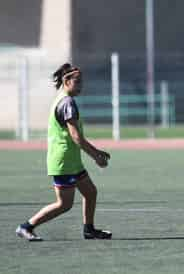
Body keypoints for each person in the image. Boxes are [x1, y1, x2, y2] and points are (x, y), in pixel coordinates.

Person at [16, 63, 112, 241]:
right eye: (77, 81)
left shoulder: (62, 98)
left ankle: (89, 230)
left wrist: (96, 152)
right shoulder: (67, 102)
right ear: (66, 81)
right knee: (64, 204)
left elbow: (76, 137)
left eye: (82, 81)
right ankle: (26, 226)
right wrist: (96, 156)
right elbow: (76, 137)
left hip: (72, 161)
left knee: (90, 192)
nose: (81, 85)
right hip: (63, 162)